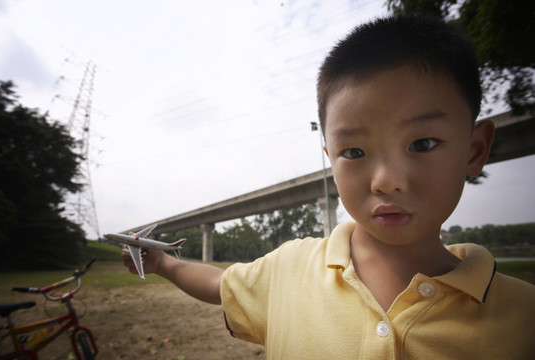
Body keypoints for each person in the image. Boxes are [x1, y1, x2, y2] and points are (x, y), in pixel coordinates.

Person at [123, 14, 535, 358]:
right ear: (329, 156)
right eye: (354, 152)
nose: (386, 181)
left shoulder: (523, 318)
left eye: (422, 143)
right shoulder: (290, 267)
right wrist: (164, 263)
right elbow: (219, 285)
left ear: (475, 149)